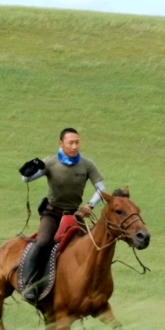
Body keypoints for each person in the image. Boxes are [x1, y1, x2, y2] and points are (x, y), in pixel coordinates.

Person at [17, 128, 107, 302]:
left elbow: (101, 189)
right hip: (52, 213)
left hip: (75, 215)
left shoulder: (87, 164)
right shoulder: (51, 162)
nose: (74, 146)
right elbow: (27, 179)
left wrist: (90, 205)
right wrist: (30, 170)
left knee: (89, 246)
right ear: (61, 144)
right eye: (70, 143)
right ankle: (29, 284)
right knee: (43, 242)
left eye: (77, 142)